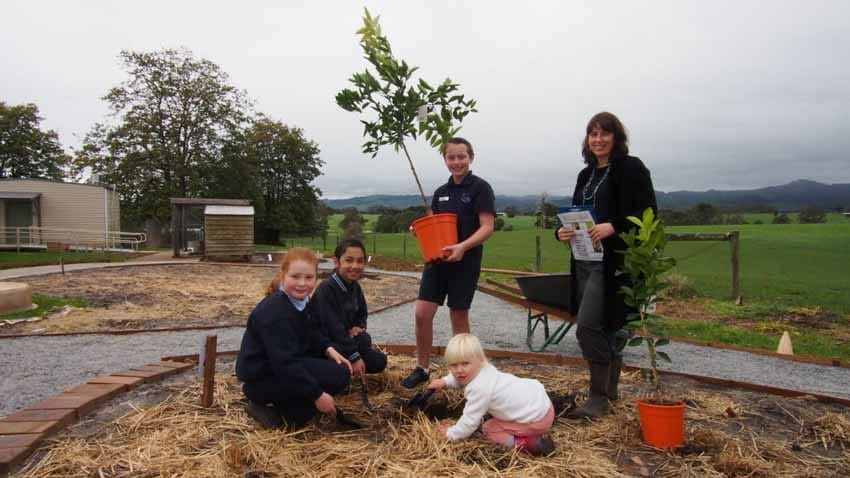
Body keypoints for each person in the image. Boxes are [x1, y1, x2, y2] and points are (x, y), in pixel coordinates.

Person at [556, 112, 657, 419]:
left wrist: (613, 226)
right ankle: (610, 393)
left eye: (604, 134)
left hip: (613, 263)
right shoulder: (585, 175)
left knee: (587, 328)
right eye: (592, 134)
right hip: (584, 259)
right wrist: (561, 232)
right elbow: (576, 212)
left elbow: (647, 210)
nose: (598, 140)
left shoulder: (630, 168)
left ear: (616, 137)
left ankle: (597, 398)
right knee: (607, 327)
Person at [401, 137, 496, 389]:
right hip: (437, 261)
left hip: (465, 261)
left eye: (461, 156)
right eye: (451, 157)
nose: (456, 162)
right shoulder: (441, 193)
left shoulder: (480, 188)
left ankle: (464, 373)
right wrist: (419, 230)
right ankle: (422, 368)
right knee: (422, 313)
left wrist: (463, 247)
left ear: (470, 157)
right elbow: (437, 226)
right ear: (445, 160)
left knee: (459, 316)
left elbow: (487, 227)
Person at [235, 247, 353, 429]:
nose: (302, 284)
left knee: (340, 370)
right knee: (314, 402)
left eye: (309, 278)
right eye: (295, 277)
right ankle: (266, 408)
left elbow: (312, 332)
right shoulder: (274, 312)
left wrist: (327, 348)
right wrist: (317, 395)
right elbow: (284, 363)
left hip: (283, 364)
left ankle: (290, 405)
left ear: (316, 278)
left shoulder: (302, 301)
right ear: (283, 275)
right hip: (263, 376)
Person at [427, 334, 556, 455]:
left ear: (480, 360)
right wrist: (445, 381)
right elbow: (460, 378)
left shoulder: (479, 388)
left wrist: (450, 434)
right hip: (540, 402)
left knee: (489, 428)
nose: (459, 370)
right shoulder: (484, 369)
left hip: (537, 419)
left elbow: (469, 422)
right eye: (454, 365)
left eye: (465, 363)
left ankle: (528, 444)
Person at [312, 239, 387, 378]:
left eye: (360, 261)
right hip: (327, 345)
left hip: (346, 340)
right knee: (344, 369)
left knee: (378, 359)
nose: (355, 266)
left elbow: (362, 313)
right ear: (336, 261)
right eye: (349, 260)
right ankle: (336, 367)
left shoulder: (354, 286)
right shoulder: (327, 289)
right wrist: (354, 357)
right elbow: (333, 328)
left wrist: (359, 326)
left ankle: (346, 364)